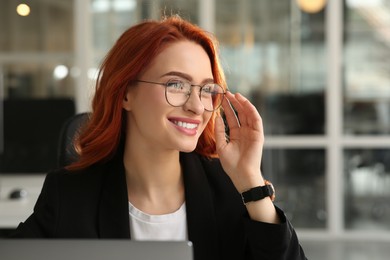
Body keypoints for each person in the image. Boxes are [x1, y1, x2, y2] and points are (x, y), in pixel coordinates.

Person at [11, 15, 307, 260]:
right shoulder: (70, 195)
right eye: (176, 84)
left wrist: (251, 185)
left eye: (206, 89)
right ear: (125, 92)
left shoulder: (232, 191)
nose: (195, 106)